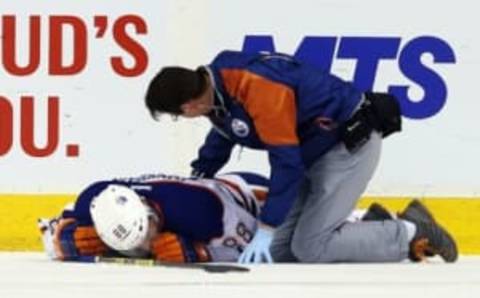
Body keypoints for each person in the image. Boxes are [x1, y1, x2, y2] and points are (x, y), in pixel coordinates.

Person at [144, 50, 457, 264]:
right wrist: (199, 176)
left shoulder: (259, 88)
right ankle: (371, 224)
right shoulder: (217, 88)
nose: (182, 119)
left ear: (187, 107)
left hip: (348, 147)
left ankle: (410, 230)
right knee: (279, 251)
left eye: (176, 115)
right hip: (315, 151)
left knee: (310, 247)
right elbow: (226, 132)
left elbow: (286, 163)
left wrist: (267, 226)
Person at [39, 172, 269, 263]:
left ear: (149, 213)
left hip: (251, 197)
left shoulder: (200, 213)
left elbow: (252, 251)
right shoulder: (94, 200)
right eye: (136, 247)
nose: (147, 246)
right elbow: (49, 229)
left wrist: (204, 253)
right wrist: (63, 238)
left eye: (148, 233)